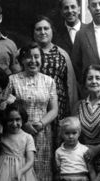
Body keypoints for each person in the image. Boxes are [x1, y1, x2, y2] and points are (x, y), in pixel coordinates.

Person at [5, 43, 58, 181]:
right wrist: (25, 123)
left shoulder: (49, 81)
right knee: (21, 174)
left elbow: (54, 109)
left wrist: (41, 124)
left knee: (42, 176)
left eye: (36, 56)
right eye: (28, 57)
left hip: (42, 134)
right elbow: (6, 104)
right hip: (19, 133)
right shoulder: (12, 80)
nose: (33, 61)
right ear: (22, 60)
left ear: (42, 59)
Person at [32, 15, 78, 145]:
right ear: (33, 32)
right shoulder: (26, 54)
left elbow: (71, 86)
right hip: (34, 109)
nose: (42, 32)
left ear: (52, 31)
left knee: (57, 148)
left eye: (46, 28)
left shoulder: (62, 54)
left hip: (59, 110)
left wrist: (72, 114)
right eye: (38, 29)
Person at [74, 64, 100, 172]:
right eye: (90, 78)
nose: (94, 81)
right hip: (85, 157)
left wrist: (99, 148)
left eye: (98, 78)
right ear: (85, 82)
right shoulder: (79, 105)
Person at [55, 116, 96, 181]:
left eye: (74, 133)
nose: (71, 136)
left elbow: (91, 170)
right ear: (62, 134)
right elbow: (57, 171)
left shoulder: (84, 150)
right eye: (67, 133)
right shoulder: (59, 151)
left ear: (79, 133)